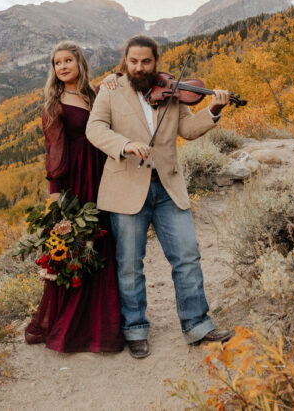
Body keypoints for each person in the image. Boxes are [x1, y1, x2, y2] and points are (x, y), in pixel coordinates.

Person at [85, 35, 232, 359]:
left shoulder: (171, 91)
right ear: (125, 60)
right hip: (127, 187)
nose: (139, 67)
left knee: (187, 256)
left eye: (146, 62)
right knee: (129, 265)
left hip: (168, 186)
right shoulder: (110, 89)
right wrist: (124, 145)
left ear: (156, 62)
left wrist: (215, 109)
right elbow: (94, 129)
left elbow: (189, 130)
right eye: (133, 61)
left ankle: (198, 326)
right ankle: (135, 330)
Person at [24, 41, 125, 353]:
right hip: (76, 182)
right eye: (57, 63)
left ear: (80, 62)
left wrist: (111, 78)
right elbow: (53, 153)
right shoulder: (54, 105)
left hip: (103, 175)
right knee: (78, 250)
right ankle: (73, 327)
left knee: (103, 245)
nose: (63, 66)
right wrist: (56, 198)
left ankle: (103, 324)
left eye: (68, 60)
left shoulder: (93, 94)